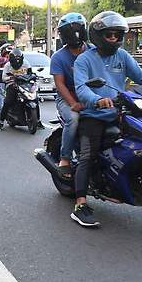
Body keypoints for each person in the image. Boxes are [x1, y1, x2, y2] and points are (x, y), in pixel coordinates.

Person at [72, 11, 142, 227]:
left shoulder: (122, 56)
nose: (114, 38)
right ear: (97, 35)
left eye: (117, 34)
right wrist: (97, 99)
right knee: (87, 156)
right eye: (109, 34)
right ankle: (80, 204)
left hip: (120, 112)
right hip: (94, 115)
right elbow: (81, 88)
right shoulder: (84, 59)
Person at [50, 12, 90, 178]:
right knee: (73, 119)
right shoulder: (58, 57)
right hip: (67, 98)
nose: (74, 35)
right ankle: (65, 158)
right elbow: (59, 84)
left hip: (91, 96)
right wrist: (73, 103)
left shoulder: (94, 52)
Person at [0, 47, 43, 131]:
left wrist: (34, 77)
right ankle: (1, 122)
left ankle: (38, 121)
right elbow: (3, 78)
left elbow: (30, 73)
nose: (17, 62)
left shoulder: (26, 63)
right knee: (8, 101)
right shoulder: (7, 65)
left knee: (35, 99)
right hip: (12, 84)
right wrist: (10, 78)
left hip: (25, 84)